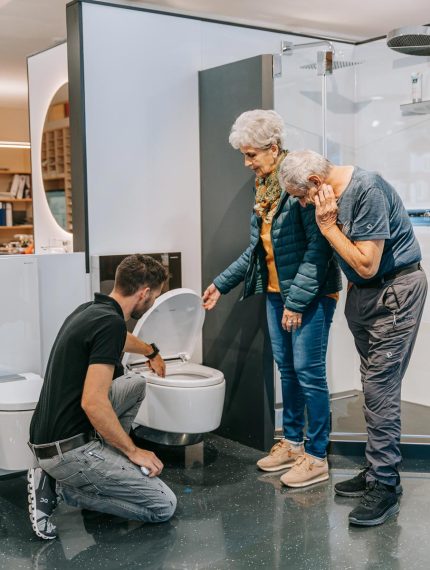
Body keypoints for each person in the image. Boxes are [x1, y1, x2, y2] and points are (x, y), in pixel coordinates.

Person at [278, 149, 427, 526]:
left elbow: (366, 262)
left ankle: (387, 486)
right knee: (371, 385)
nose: (301, 204)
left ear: (314, 183)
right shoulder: (332, 196)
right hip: (365, 295)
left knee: (379, 389)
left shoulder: (367, 189)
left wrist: (329, 228)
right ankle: (377, 470)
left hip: (393, 291)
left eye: (300, 196)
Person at [202, 110, 342, 488]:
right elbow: (256, 251)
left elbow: (320, 249)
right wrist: (221, 284)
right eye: (245, 155)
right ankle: (294, 443)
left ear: (273, 147)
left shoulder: (298, 182)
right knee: (289, 370)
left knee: (309, 373)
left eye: (252, 155)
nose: (247, 163)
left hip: (309, 295)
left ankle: (316, 456)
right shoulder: (263, 189)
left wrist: (297, 302)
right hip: (277, 295)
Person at [28, 254, 177, 540]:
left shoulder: (91, 310)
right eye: (155, 297)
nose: (153, 303)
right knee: (163, 505)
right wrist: (134, 451)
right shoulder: (110, 324)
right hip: (67, 451)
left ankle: (104, 457)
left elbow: (122, 338)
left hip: (47, 436)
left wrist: (151, 351)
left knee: (135, 383)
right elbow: (92, 402)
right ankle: (63, 489)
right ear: (144, 293)